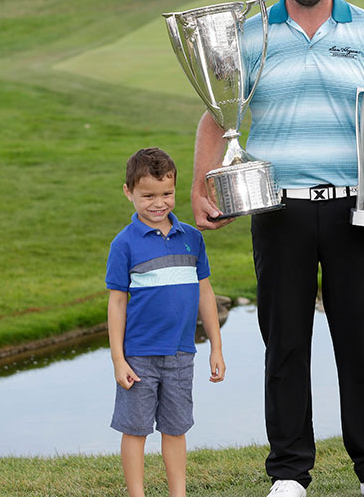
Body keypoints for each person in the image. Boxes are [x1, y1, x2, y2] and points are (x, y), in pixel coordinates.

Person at [190, 0, 364, 496]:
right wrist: (200, 189)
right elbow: (219, 115)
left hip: (352, 204)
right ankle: (290, 473)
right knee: (285, 341)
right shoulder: (250, 34)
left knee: (360, 338)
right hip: (278, 209)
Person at [106, 147, 226, 497]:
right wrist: (118, 359)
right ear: (128, 192)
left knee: (175, 429)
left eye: (167, 194)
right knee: (136, 429)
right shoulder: (123, 244)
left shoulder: (192, 239)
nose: (159, 203)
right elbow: (116, 303)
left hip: (181, 354)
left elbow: (205, 294)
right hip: (138, 356)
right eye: (148, 195)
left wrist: (216, 348)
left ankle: (179, 493)